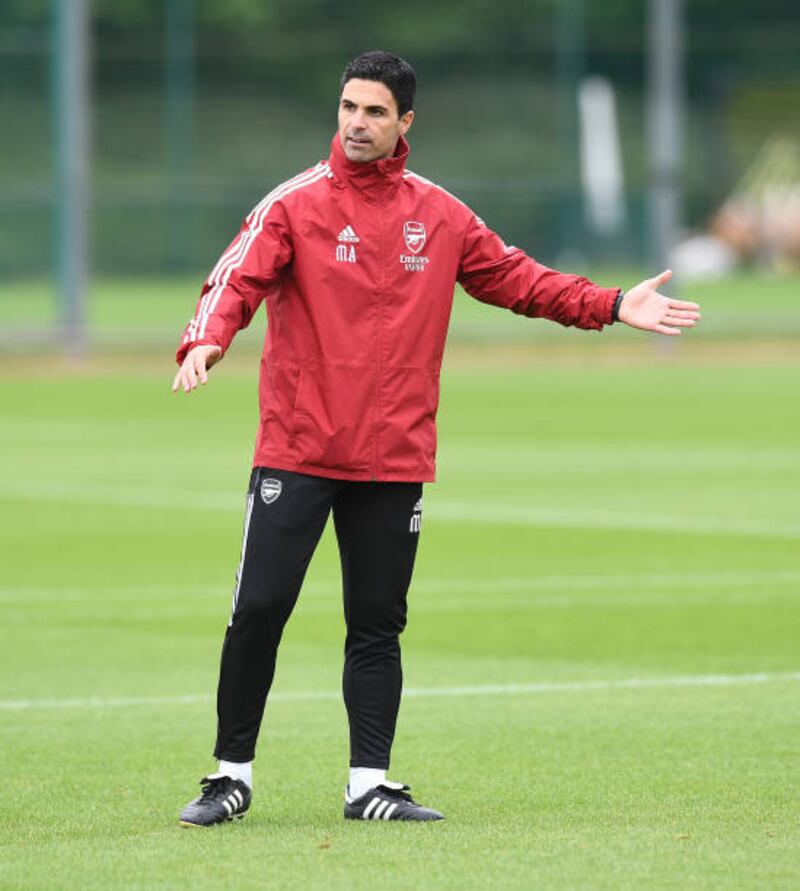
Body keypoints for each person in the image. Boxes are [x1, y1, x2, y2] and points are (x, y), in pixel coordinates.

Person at [172, 50, 701, 827]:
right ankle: (230, 776)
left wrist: (612, 303)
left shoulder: (440, 214)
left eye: (375, 112)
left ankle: (368, 785)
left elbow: (520, 279)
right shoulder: (295, 204)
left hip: (393, 456)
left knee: (378, 623)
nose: (356, 123)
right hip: (299, 446)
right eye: (348, 107)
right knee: (259, 608)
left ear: (405, 122)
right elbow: (237, 277)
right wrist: (204, 339)